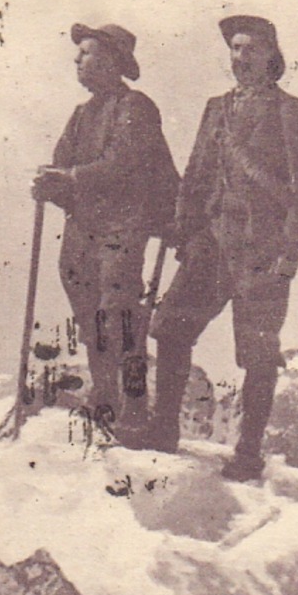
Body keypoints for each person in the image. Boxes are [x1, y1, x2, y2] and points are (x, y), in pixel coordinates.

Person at [146, 14, 298, 481]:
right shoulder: (215, 109)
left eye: (250, 49)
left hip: (262, 252)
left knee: (257, 353)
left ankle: (248, 454)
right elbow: (197, 173)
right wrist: (185, 229)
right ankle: (163, 429)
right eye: (235, 49)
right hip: (210, 244)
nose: (240, 58)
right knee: (169, 328)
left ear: (272, 55)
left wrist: (291, 252)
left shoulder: (290, 111)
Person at [32, 22, 178, 441]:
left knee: (121, 317)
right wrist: (52, 185)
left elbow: (124, 164)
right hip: (83, 231)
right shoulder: (82, 115)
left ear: (113, 61)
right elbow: (64, 167)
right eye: (78, 53)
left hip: (122, 228)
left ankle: (134, 409)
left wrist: (70, 177)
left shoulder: (136, 108)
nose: (78, 59)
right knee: (89, 318)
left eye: (88, 52)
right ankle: (105, 398)